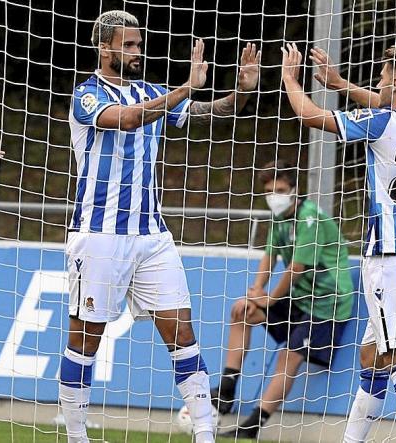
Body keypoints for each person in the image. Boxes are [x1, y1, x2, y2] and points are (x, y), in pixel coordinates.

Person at [60, 10, 259, 443]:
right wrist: (185, 87)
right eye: (127, 44)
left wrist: (240, 93)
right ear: (104, 46)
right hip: (99, 236)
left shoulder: (152, 91)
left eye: (138, 44)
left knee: (182, 331)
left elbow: (212, 112)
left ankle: (205, 432)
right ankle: (76, 436)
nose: (136, 51)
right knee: (85, 341)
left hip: (151, 236)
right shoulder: (87, 95)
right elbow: (128, 119)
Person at [281, 43, 396, 442]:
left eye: (382, 75)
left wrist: (290, 78)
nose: (377, 82)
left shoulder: (382, 123)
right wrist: (340, 83)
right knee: (372, 357)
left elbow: (309, 115)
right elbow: (387, 106)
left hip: (388, 258)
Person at [214, 160, 354, 439]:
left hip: (327, 304)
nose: (274, 196)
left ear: (294, 190)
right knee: (242, 310)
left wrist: (269, 299)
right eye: (269, 191)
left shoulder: (309, 217)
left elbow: (296, 268)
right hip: (299, 298)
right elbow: (270, 255)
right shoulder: (279, 219)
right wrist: (256, 291)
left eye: (280, 189)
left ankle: (253, 424)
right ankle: (226, 390)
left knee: (288, 356)